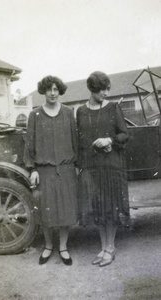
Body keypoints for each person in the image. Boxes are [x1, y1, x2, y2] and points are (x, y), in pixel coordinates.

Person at [76, 71, 130, 267]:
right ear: (92, 89)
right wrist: (80, 166)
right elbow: (80, 140)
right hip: (91, 166)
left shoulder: (113, 108)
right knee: (97, 207)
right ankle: (103, 247)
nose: (105, 93)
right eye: (101, 91)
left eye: (107, 89)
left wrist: (110, 140)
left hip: (110, 165)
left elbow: (124, 134)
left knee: (110, 207)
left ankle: (111, 247)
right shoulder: (81, 111)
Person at [23, 75, 78, 265]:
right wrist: (33, 169)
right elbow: (30, 143)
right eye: (49, 90)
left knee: (65, 211)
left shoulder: (69, 113)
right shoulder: (35, 115)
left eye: (56, 90)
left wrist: (76, 165)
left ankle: (63, 247)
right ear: (44, 91)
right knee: (46, 212)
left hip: (66, 169)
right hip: (44, 171)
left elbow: (75, 141)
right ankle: (48, 246)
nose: (53, 93)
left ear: (59, 91)